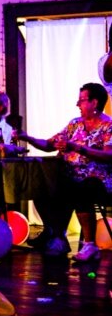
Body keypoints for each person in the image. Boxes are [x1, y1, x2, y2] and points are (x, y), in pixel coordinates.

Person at [17, 82, 112, 260]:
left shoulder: (108, 126)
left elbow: (109, 155)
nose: (78, 104)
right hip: (70, 177)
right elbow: (48, 144)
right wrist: (26, 137)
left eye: (82, 100)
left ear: (95, 102)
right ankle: (57, 235)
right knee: (42, 186)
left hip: (97, 180)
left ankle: (89, 245)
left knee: (83, 189)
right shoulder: (74, 125)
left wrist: (78, 148)